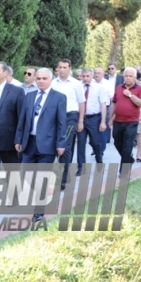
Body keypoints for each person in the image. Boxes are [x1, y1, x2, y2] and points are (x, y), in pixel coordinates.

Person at [14, 68, 66, 221]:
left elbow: (61, 123)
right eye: (38, 79)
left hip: (48, 143)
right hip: (29, 142)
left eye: (44, 78)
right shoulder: (29, 96)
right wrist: (18, 139)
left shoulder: (58, 97)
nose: (41, 81)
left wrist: (60, 143)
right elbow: (22, 120)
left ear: (51, 79)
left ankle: (39, 211)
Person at [51, 59, 85, 190]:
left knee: (65, 147)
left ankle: (62, 180)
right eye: (60, 67)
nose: (62, 70)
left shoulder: (76, 84)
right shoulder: (53, 83)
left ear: (70, 68)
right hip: (54, 117)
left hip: (70, 116)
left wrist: (80, 120)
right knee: (54, 146)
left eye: (65, 67)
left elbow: (81, 103)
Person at [109, 67, 141, 175]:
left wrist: (130, 95)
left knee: (127, 146)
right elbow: (114, 103)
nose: (128, 78)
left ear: (135, 77)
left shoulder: (140, 89)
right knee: (117, 142)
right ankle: (129, 159)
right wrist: (110, 118)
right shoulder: (118, 88)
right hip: (118, 121)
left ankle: (124, 172)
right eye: (126, 76)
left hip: (131, 122)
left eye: (130, 76)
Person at [77, 68, 108, 171]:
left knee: (95, 142)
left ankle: (99, 159)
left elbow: (103, 105)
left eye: (87, 76)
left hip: (94, 118)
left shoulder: (99, 88)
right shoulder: (78, 87)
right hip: (81, 118)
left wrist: (103, 122)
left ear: (92, 76)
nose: (85, 78)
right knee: (81, 143)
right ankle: (81, 167)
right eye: (83, 76)